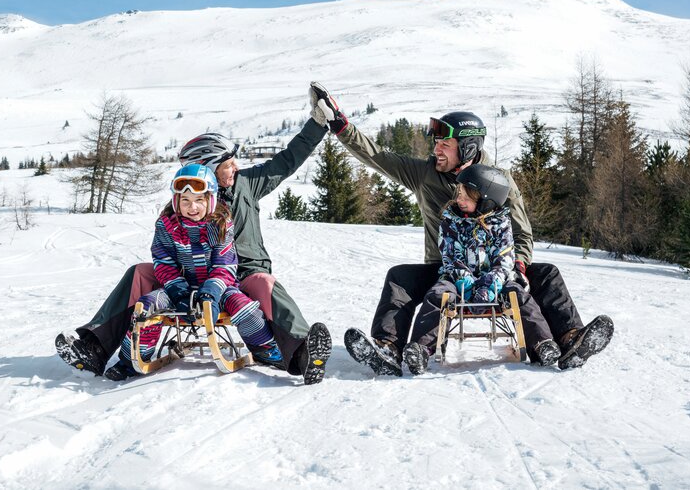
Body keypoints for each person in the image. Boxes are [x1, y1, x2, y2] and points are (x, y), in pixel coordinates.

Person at [309, 82, 613, 373]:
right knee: (399, 278)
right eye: (437, 143)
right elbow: (378, 157)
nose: (437, 150)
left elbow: (521, 233)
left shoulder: (499, 181)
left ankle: (569, 339)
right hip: (447, 270)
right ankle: (388, 347)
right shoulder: (425, 174)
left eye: (445, 144)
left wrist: (517, 266)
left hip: (499, 268)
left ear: (467, 147)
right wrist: (340, 125)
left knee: (547, 274)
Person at [56, 116, 333, 384]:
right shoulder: (185, 200)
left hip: (242, 272)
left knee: (265, 283)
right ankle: (94, 348)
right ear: (208, 168)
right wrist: (175, 283)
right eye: (227, 164)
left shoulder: (245, 183)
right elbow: (165, 250)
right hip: (187, 274)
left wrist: (318, 125)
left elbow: (287, 161)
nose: (235, 167)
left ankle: (301, 354)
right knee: (139, 273)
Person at [107, 164, 282, 380]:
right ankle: (131, 359)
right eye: (186, 201)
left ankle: (266, 349)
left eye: (199, 200)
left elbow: (224, 265)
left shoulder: (221, 225)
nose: (193, 207)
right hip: (181, 287)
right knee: (147, 306)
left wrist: (210, 294)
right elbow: (164, 263)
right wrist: (179, 293)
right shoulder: (166, 227)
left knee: (242, 305)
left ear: (210, 200)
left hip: (220, 288)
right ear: (176, 202)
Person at [400, 164, 561, 374]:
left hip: (497, 280)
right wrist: (463, 278)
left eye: (466, 197)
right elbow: (450, 255)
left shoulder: (502, 225)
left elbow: (505, 258)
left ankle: (542, 344)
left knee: (520, 296)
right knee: (437, 295)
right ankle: (420, 348)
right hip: (456, 278)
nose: (459, 200)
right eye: (458, 194)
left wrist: (491, 282)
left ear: (486, 201)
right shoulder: (451, 221)